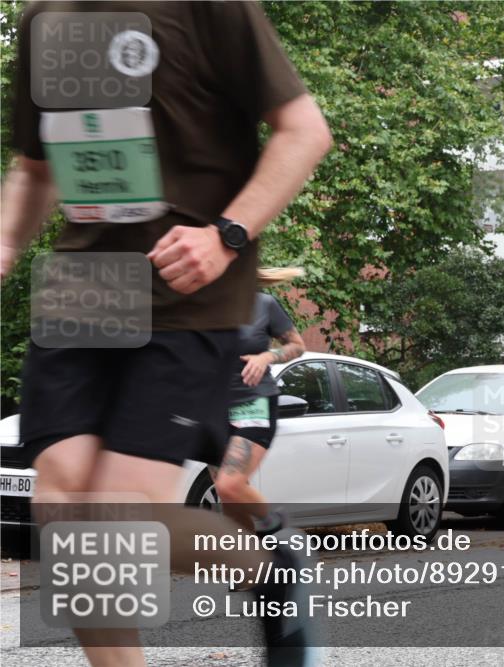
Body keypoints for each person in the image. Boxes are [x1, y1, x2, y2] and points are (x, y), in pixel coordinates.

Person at [2, 4, 331, 666]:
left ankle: (270, 568)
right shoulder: (46, 20)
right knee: (63, 513)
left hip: (188, 294)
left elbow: (304, 131)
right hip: (82, 288)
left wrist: (227, 235)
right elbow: (35, 169)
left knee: (114, 518)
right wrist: (6, 243)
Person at [214, 270, 306, 532]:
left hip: (253, 403)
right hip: (214, 411)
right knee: (231, 501)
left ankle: (277, 524)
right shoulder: (202, 309)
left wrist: (266, 357)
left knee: (228, 485)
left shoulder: (264, 304)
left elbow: (297, 345)